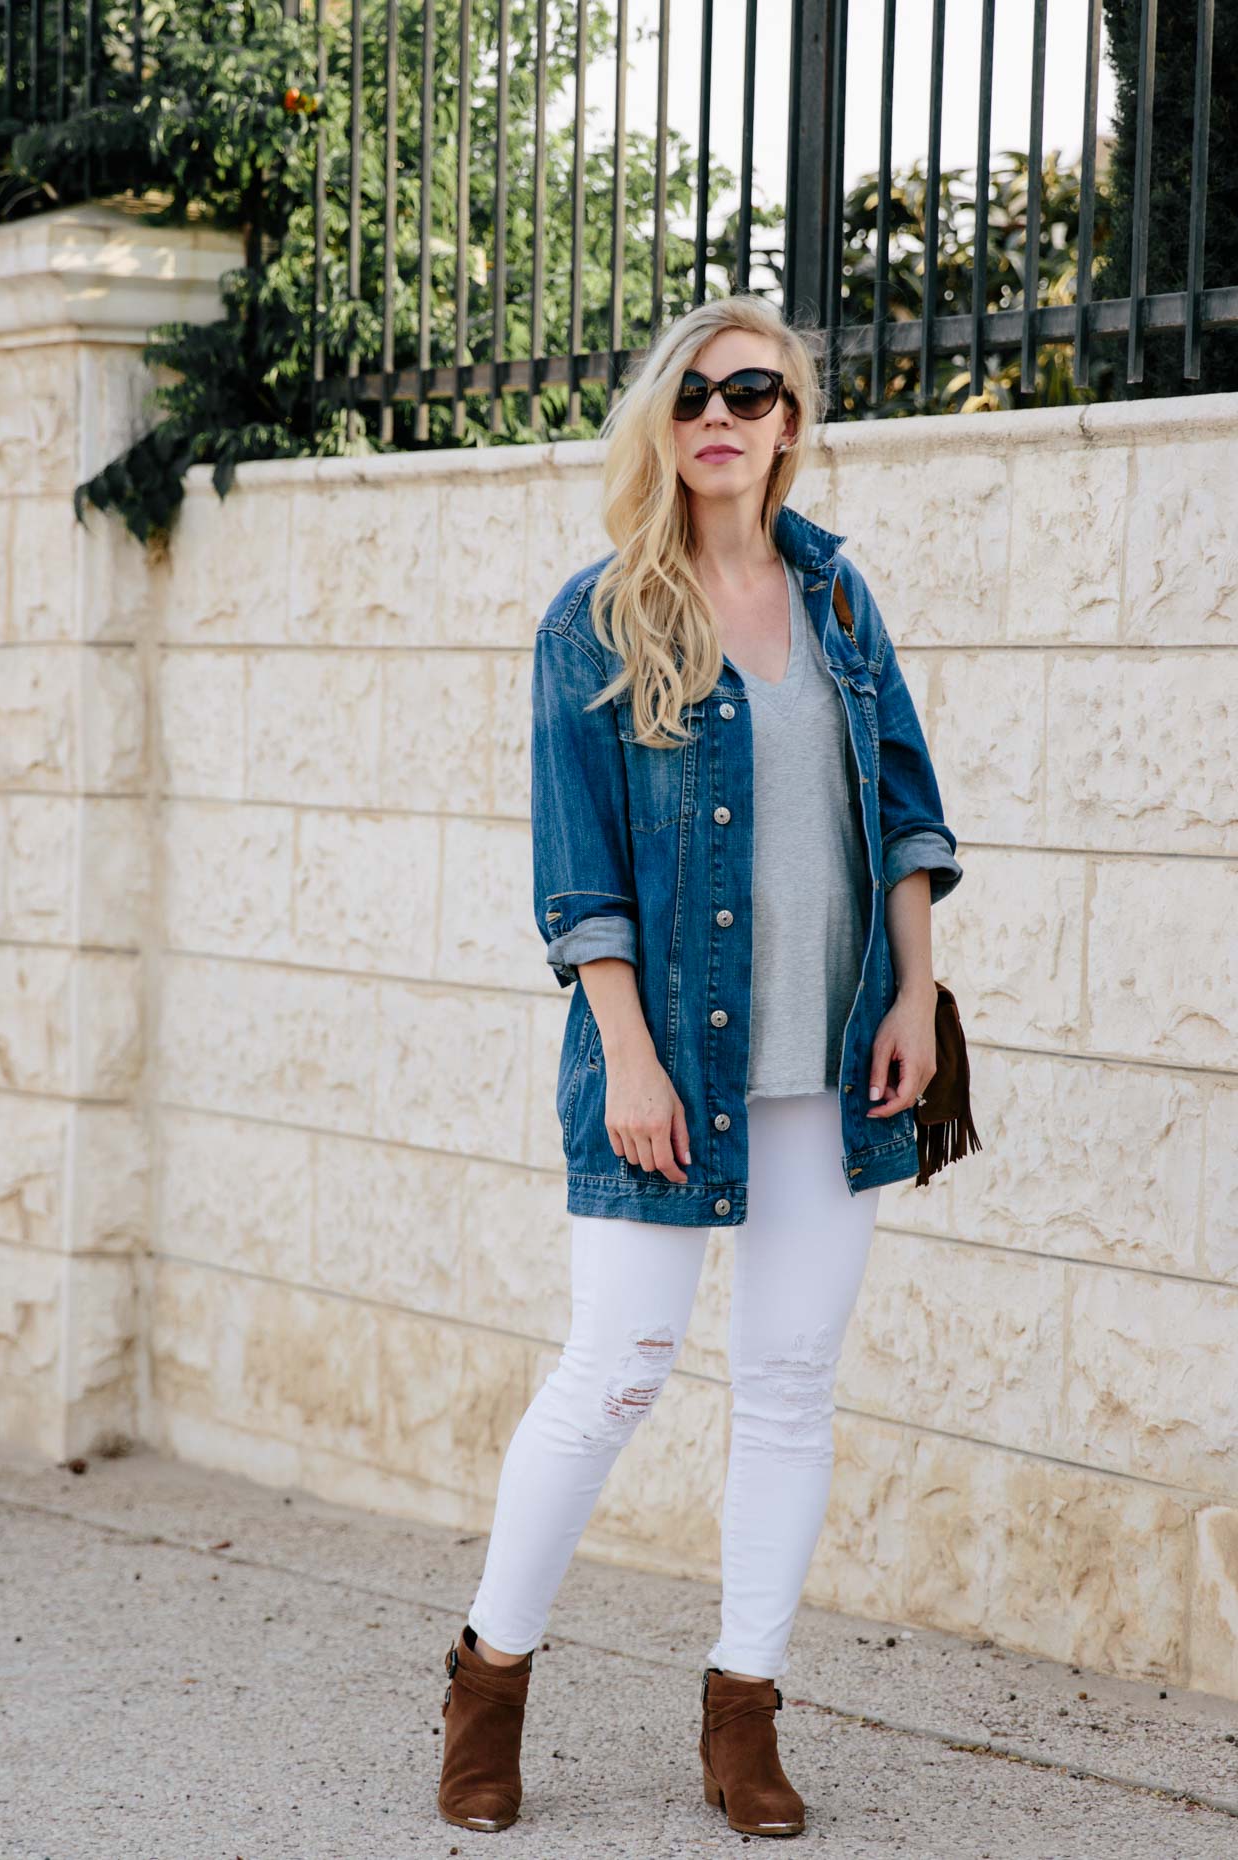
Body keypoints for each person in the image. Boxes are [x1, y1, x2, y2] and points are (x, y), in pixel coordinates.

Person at [437, 293, 964, 1837]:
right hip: (664, 1063)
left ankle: (744, 1717)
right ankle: (490, 1681)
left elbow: (911, 821)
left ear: (792, 424)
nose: (721, 414)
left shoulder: (841, 607)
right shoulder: (595, 619)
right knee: (614, 1374)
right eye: (693, 395)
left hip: (836, 1060)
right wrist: (630, 1060)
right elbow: (578, 877)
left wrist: (916, 999)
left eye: (754, 391)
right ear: (661, 426)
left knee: (792, 1386)